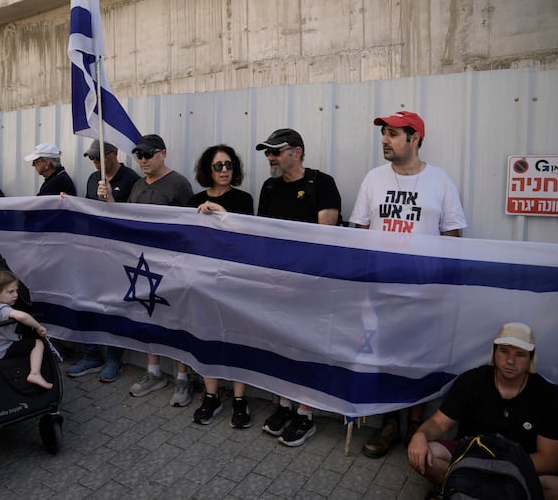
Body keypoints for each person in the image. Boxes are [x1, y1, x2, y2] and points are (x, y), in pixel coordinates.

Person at [349, 110, 467, 459]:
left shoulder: (440, 181)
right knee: (385, 356)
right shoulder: (373, 179)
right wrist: (359, 281)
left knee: (419, 358)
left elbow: (453, 236)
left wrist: (443, 285)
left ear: (415, 138)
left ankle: (416, 423)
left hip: (424, 290)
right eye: (383, 133)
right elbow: (358, 231)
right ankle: (389, 423)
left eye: (393, 134)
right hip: (380, 288)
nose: (384, 140)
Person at [407, 322, 558, 500]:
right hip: (471, 453)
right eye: (504, 351)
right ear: (494, 352)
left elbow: (550, 460)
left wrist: (500, 466)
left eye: (520, 354)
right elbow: (438, 423)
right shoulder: (472, 380)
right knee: (427, 453)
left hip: (520, 465)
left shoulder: (550, 397)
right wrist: (420, 435)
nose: (510, 361)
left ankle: (466, 492)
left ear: (531, 359)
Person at [256, 128, 342, 447]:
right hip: (276, 282)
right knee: (280, 343)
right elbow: (263, 233)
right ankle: (284, 404)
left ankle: (305, 414)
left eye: (275, 151)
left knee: (306, 345)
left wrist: (298, 277)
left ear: (297, 152)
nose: (270, 157)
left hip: (311, 283)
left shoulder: (322, 183)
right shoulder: (268, 187)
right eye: (267, 152)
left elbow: (326, 237)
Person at [98, 134, 195, 406]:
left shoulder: (179, 184)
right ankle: (153, 373)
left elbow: (189, 228)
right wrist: (109, 202)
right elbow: (127, 220)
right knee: (147, 315)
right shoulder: (138, 185)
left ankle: (182, 377)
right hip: (142, 263)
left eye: (148, 155)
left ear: (163, 153)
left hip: (171, 264)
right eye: (139, 155)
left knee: (176, 318)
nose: (142, 160)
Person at [188, 144, 254, 428]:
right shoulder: (193, 200)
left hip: (235, 278)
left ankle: (240, 399)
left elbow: (247, 236)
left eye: (229, 165)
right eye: (218, 166)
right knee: (207, 336)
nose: (225, 170)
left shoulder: (243, 198)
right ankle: (211, 396)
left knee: (238, 336)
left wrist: (220, 211)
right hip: (204, 279)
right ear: (208, 170)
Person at [66, 140, 140, 383]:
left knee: (114, 305)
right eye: (92, 158)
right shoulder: (91, 178)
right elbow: (87, 211)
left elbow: (133, 220)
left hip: (119, 254)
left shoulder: (132, 180)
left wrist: (110, 199)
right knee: (83, 299)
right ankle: (91, 354)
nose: (95, 162)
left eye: (98, 157)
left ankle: (113, 359)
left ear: (114, 154)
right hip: (91, 251)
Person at [0, 269, 52, 390]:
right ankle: (35, 374)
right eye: (10, 292)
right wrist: (38, 326)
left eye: (16, 290)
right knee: (38, 343)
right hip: (3, 349)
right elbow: (22, 316)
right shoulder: (1, 309)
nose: (16, 294)